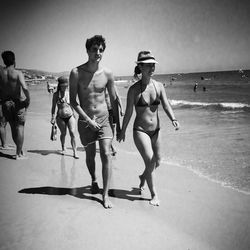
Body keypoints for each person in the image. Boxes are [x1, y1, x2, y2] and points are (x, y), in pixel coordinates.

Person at [118, 51, 180, 206]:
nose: (152, 68)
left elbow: (165, 105)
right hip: (140, 130)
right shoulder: (133, 90)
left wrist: (174, 119)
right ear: (140, 66)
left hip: (156, 130)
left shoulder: (158, 86)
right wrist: (123, 130)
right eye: (148, 65)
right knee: (151, 160)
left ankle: (143, 177)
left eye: (153, 65)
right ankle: (154, 195)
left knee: (157, 161)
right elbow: (129, 113)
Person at [69, 35, 120, 209]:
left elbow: (113, 101)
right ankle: (94, 179)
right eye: (94, 49)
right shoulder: (76, 73)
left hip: (104, 118)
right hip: (85, 121)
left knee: (105, 154)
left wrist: (119, 126)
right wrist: (88, 120)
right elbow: (73, 102)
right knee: (90, 155)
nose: (97, 53)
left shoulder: (107, 73)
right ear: (87, 50)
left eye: (100, 50)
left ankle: (105, 195)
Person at [0, 51, 30, 159]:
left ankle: (20, 151)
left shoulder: (1, 73)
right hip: (17, 102)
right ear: (14, 60)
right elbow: (25, 88)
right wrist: (28, 100)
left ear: (4, 61)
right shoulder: (17, 73)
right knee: (20, 127)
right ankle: (18, 154)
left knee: (13, 127)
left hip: (5, 103)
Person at [50, 76, 79, 159]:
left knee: (72, 133)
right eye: (63, 86)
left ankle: (75, 151)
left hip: (70, 116)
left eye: (66, 86)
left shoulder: (69, 93)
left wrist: (74, 114)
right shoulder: (56, 95)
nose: (64, 87)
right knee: (63, 133)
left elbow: (73, 104)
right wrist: (52, 117)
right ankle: (63, 147)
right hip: (60, 117)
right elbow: (53, 107)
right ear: (59, 85)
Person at [105, 86, 124, 156]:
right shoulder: (102, 85)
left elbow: (118, 97)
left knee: (113, 130)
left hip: (113, 110)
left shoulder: (113, 86)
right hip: (105, 111)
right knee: (108, 129)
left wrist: (122, 108)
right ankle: (112, 147)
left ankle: (109, 144)